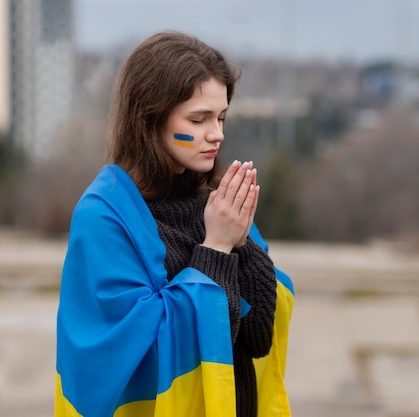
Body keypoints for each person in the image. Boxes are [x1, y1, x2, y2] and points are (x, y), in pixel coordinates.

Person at [54, 30, 294, 417]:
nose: (216, 134)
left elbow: (257, 335)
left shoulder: (216, 202)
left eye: (221, 117)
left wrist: (240, 243)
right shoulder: (103, 216)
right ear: (150, 119)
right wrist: (215, 250)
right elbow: (133, 356)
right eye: (198, 119)